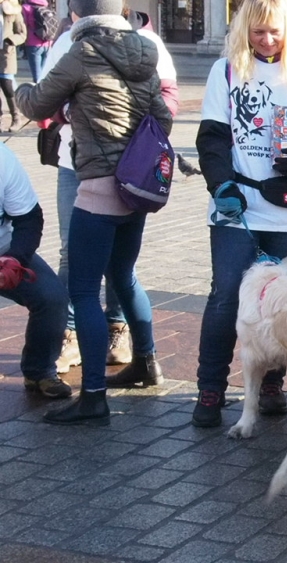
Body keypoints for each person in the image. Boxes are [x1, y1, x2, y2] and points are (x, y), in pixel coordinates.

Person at [15, 0, 172, 426]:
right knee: (123, 276)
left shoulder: (81, 53)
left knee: (83, 291)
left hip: (98, 190)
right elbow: (162, 117)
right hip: (136, 187)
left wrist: (19, 88)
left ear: (74, 15)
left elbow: (34, 106)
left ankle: (94, 396)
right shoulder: (145, 52)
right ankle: (146, 362)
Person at [191, 0, 287, 428]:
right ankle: (211, 387)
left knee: (281, 300)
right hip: (237, 205)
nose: (267, 39)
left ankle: (272, 383)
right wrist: (220, 184)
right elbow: (212, 140)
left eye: (275, 31)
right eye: (258, 32)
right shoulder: (226, 71)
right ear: (244, 31)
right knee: (226, 296)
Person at [0, 143, 72, 400]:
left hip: (4, 249)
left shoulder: (3, 159)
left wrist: (14, 259)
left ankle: (39, 370)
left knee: (52, 298)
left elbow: (29, 219)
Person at [1, 0, 26, 131]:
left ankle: (16, 117)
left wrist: (11, 41)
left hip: (6, 53)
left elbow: (22, 33)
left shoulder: (13, 10)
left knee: (7, 85)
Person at [21, 0, 52, 82]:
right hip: (48, 43)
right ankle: (45, 92)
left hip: (33, 43)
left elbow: (23, 25)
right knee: (44, 74)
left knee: (37, 76)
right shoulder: (46, 6)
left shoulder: (25, 8)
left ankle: (39, 93)